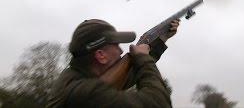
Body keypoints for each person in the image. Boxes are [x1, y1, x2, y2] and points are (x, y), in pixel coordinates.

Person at [47, 18, 180, 108]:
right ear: (101, 55)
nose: (121, 50)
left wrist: (161, 39)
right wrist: (143, 59)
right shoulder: (83, 93)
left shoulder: (78, 76)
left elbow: (125, 76)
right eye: (116, 45)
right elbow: (158, 103)